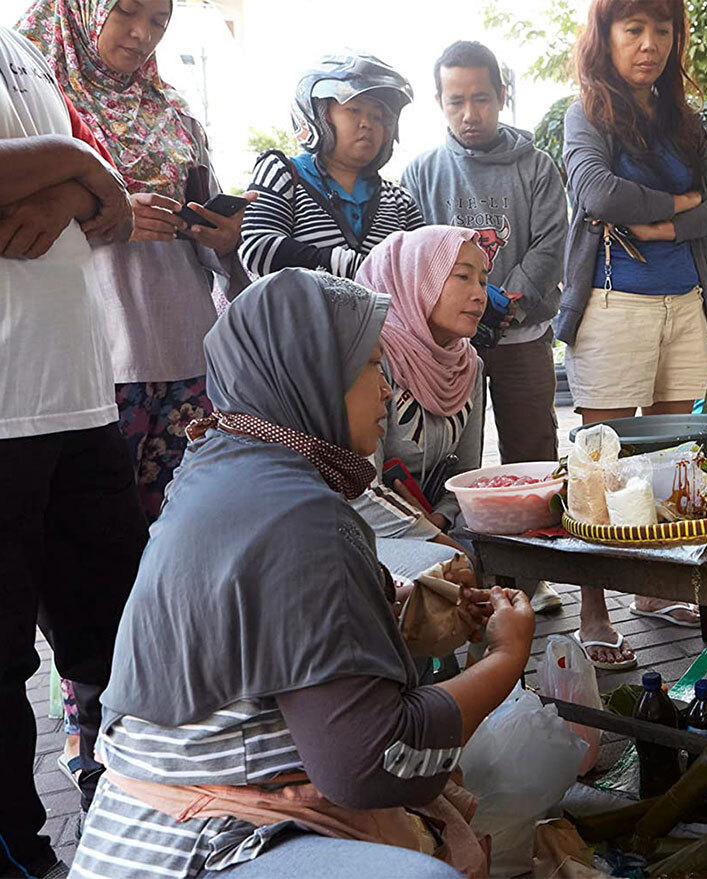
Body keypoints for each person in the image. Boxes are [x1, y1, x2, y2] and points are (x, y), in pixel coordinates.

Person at [71, 269, 535, 879]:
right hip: (201, 842)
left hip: (141, 820)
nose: (390, 393)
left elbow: (262, 624)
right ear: (311, 374)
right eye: (373, 366)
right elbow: (369, 763)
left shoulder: (224, 463)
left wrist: (390, 603)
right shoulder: (299, 516)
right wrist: (505, 657)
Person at [0, 23, 147, 879]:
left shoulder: (23, 50)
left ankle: (130, 812)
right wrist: (77, 165)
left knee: (123, 635)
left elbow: (119, 212)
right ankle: (21, 851)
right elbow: (102, 177)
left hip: (80, 397)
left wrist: (75, 187)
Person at [19, 0, 253, 522]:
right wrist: (109, 220)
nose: (140, 33)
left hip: (187, 353)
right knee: (94, 534)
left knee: (182, 521)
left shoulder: (175, 112)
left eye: (158, 22)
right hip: (93, 355)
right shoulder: (42, 108)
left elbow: (208, 213)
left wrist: (220, 235)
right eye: (125, 12)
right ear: (83, 10)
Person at [558, 0, 707, 668]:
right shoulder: (587, 114)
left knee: (670, 457)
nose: (649, 43)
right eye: (633, 28)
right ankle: (594, 612)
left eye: (663, 29)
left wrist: (663, 224)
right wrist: (683, 204)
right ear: (604, 35)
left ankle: (654, 592)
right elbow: (598, 194)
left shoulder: (686, 124)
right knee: (599, 463)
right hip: (612, 304)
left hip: (684, 303)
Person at [401, 40, 567, 613]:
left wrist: (502, 303)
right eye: (455, 101)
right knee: (459, 465)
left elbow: (551, 243)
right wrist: (465, 308)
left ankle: (536, 573)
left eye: (480, 98)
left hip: (521, 338)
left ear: (502, 95)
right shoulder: (421, 173)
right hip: (447, 348)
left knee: (533, 452)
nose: (469, 113)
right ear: (440, 103)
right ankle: (468, 572)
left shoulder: (537, 167)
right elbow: (414, 254)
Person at [352, 227, 487, 585]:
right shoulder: (373, 358)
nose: (479, 295)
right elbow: (358, 490)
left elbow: (466, 476)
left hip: (432, 520)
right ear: (413, 277)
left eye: (484, 281)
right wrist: (436, 536)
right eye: (462, 276)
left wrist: (442, 518)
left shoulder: (468, 365)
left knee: (504, 539)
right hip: (362, 527)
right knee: (447, 567)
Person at [239, 53, 423, 279]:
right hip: (301, 314)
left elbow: (425, 268)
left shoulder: (400, 202)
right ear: (320, 115)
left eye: (377, 116)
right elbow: (258, 248)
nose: (367, 123)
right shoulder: (283, 172)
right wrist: (357, 268)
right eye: (354, 110)